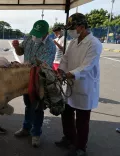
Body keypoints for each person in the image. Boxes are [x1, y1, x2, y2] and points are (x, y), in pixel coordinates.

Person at [55, 13, 102, 156]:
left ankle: (81, 147)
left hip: (85, 86)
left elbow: (87, 66)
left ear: (81, 27)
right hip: (71, 85)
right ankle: (69, 138)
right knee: (66, 113)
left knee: (82, 120)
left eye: (72, 28)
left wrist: (68, 74)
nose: (70, 31)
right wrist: (60, 71)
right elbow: (65, 59)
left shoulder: (94, 43)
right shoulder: (73, 42)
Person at [12, 20, 56, 147]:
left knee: (37, 107)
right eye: (34, 33)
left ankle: (36, 133)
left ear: (46, 33)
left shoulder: (50, 46)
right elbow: (20, 52)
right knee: (28, 104)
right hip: (27, 78)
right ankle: (26, 128)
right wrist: (16, 47)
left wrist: (23, 66)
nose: (35, 37)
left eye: (39, 34)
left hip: (39, 80)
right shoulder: (30, 39)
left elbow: (43, 66)